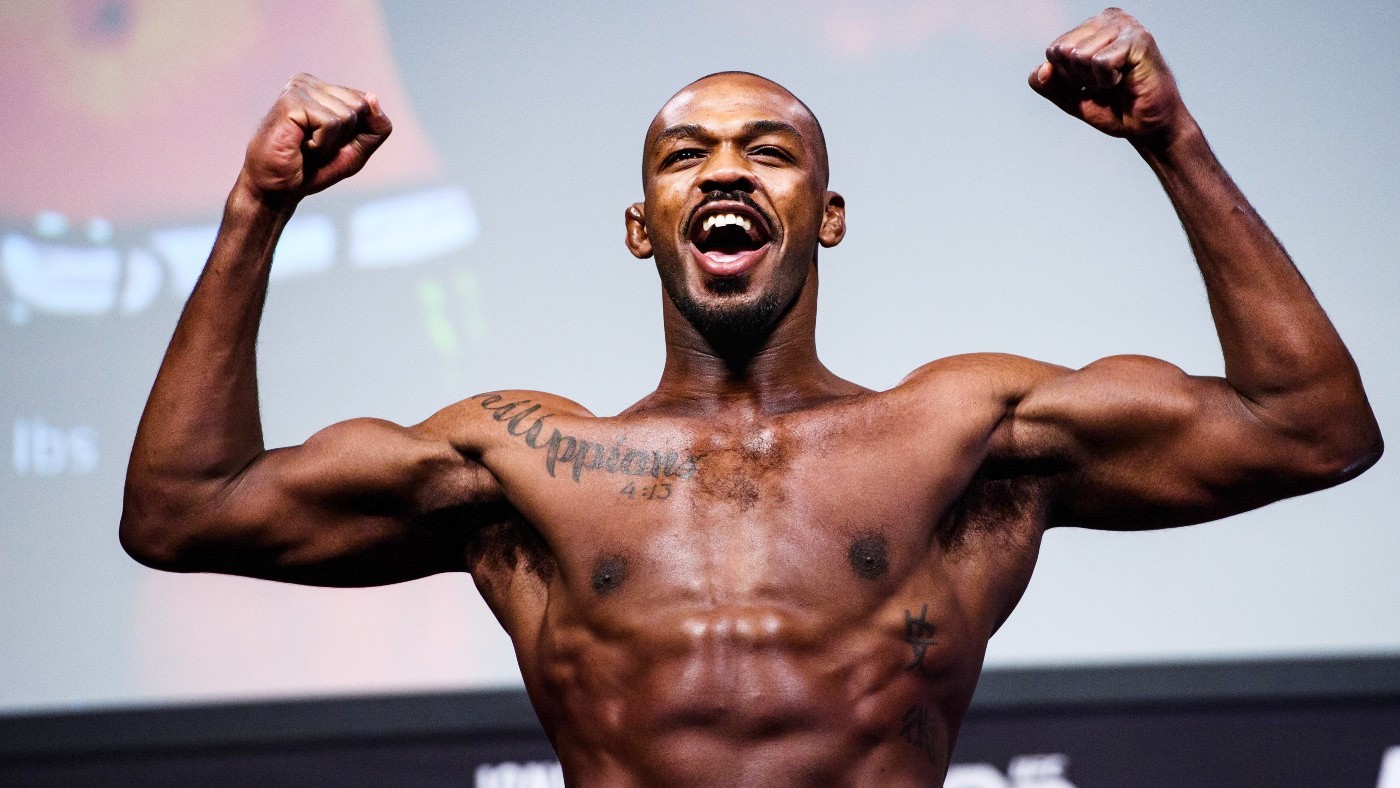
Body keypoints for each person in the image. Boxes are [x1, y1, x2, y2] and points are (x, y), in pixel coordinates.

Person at [121, 8, 1381, 785]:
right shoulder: (525, 464)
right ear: (642, 226)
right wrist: (255, 209)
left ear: (824, 215)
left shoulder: (961, 437)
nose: (725, 171)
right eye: (686, 156)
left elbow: (1309, 429)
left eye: (767, 152)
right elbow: (184, 508)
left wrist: (1172, 143)